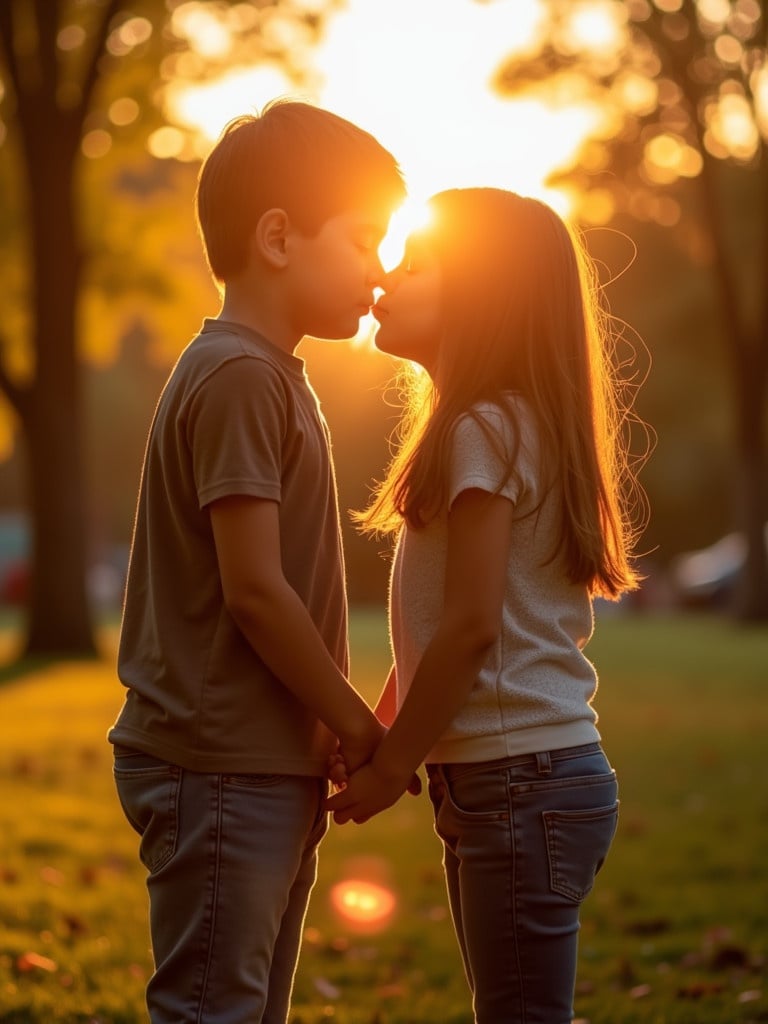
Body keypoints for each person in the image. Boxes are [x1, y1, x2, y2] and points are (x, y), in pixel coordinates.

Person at [108, 99, 405, 1024]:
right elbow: (256, 594)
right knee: (215, 1009)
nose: (379, 270)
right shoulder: (240, 377)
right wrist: (359, 727)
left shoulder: (269, 373)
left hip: (262, 760)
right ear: (279, 236)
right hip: (219, 764)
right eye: (364, 239)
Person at [327, 188, 647, 1023]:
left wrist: (392, 765)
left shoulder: (484, 429)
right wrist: (379, 729)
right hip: (519, 780)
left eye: (415, 262)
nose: (386, 279)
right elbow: (432, 632)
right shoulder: (504, 423)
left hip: (519, 781)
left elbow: (471, 631)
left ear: (482, 296)